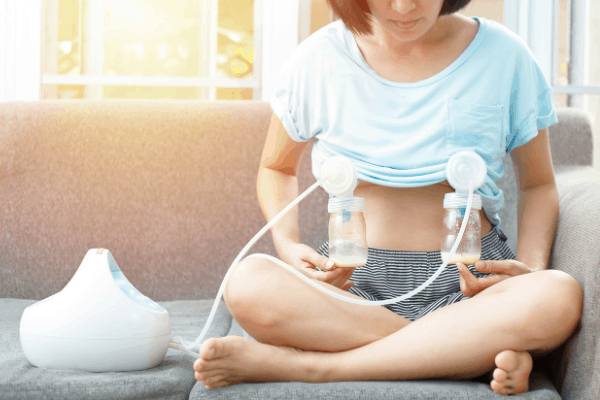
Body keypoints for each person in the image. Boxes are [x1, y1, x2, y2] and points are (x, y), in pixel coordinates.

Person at [193, 0, 583, 395]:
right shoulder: (318, 58)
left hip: (470, 283)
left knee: (558, 294)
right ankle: (465, 355)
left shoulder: (505, 55)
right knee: (248, 283)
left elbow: (539, 184)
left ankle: (314, 367)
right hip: (353, 287)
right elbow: (276, 167)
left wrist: (530, 269)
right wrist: (287, 244)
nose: (403, 6)